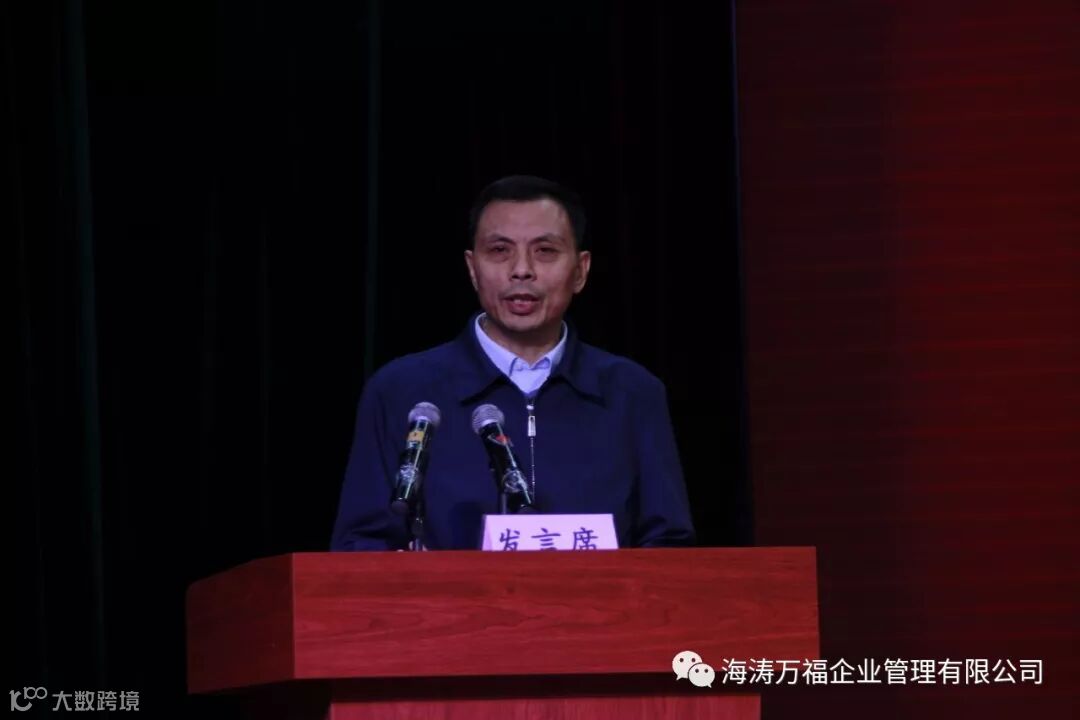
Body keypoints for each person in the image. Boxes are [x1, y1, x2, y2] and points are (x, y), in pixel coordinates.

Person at [331, 175, 695, 550]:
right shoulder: (401, 390)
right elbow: (360, 545)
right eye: (500, 250)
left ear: (581, 270)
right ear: (472, 268)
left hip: (602, 592)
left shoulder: (632, 392)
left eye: (545, 251)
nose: (522, 270)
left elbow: (669, 544)